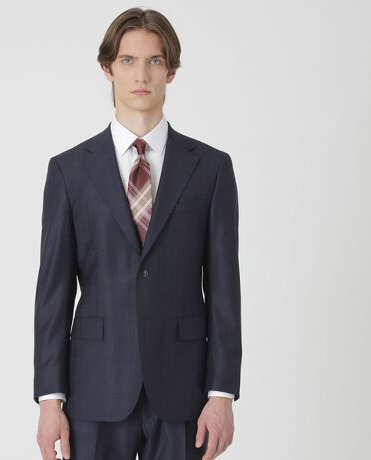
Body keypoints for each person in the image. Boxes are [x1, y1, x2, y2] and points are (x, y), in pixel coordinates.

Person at [33, 7, 242, 460]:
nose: (141, 75)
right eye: (128, 60)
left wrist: (222, 392)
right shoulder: (69, 171)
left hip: (184, 389)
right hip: (95, 387)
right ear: (107, 68)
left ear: (172, 71)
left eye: (155, 61)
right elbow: (53, 292)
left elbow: (225, 288)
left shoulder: (211, 169)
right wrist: (50, 399)